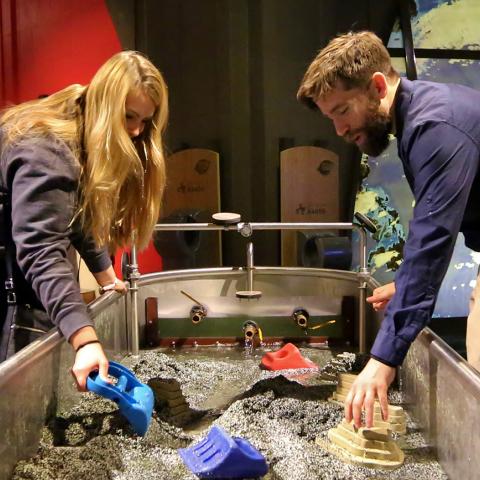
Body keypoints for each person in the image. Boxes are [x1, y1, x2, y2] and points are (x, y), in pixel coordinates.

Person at [297, 31, 480, 428]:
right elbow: (436, 230)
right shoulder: (418, 119)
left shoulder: (435, 126)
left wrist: (383, 361)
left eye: (342, 111)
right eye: (332, 118)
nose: (340, 131)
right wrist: (408, 284)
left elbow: (433, 239)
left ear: (378, 86)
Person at [0, 51, 168, 390]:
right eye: (128, 117)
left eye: (145, 121)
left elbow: (73, 215)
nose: (136, 131)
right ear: (104, 106)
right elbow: (40, 248)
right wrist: (85, 339)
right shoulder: (47, 150)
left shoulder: (80, 121)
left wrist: (106, 275)